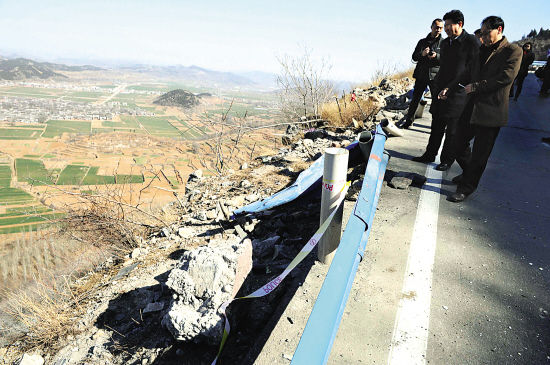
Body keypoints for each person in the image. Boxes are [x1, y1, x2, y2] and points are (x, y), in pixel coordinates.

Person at [448, 16, 522, 202]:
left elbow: (505, 78)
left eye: (486, 32)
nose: (483, 36)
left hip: (491, 110)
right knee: (456, 143)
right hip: (472, 106)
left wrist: (476, 87)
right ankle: (469, 173)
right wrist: (450, 86)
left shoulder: (513, 51)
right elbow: (468, 73)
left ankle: (466, 188)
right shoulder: (481, 49)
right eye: (481, 32)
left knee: (481, 154)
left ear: (499, 29)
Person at [412, 9, 479, 172]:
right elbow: (443, 66)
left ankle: (446, 160)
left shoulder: (470, 42)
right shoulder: (445, 43)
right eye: (445, 25)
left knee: (452, 129)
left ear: (460, 24)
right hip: (440, 89)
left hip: (459, 93)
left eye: (449, 25)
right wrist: (437, 86)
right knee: (436, 124)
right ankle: (430, 154)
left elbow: (473, 69)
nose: (446, 29)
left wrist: (458, 87)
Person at [399, 18, 444, 129]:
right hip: (421, 74)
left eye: (441, 28)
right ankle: (409, 121)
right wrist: (422, 54)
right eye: (436, 27)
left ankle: (437, 124)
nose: (438, 30)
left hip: (435, 77)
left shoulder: (444, 43)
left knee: (437, 101)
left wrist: (436, 56)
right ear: (431, 27)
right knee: (415, 99)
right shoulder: (422, 42)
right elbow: (414, 57)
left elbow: (447, 59)